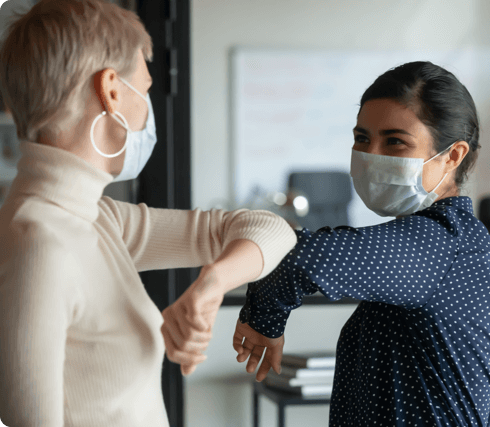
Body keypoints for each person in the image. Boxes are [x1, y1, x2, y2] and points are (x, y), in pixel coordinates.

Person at [0, 1, 296, 426]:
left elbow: (270, 228)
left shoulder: (97, 219)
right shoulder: (38, 243)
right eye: (146, 87)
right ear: (112, 91)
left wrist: (211, 284)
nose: (148, 107)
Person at [230, 61, 490, 426]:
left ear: (453, 156)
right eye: (362, 138)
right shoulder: (440, 240)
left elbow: (300, 258)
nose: (371, 154)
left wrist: (264, 320)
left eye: (395, 141)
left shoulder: (444, 241)